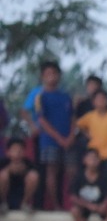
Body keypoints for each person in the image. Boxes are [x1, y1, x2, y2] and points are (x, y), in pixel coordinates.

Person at [25, 60, 73, 210]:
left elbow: (73, 118)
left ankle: (72, 204)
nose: (51, 77)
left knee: (71, 171)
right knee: (51, 172)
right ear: (42, 77)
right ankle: (56, 205)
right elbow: (41, 120)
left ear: (59, 76)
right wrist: (59, 138)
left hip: (68, 141)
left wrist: (70, 136)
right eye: (48, 74)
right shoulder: (40, 96)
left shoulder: (66, 97)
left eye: (54, 73)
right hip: (49, 140)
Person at [3, 138, 40, 211]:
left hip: (21, 195)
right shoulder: (3, 163)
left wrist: (24, 171)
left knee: (33, 176)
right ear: (8, 152)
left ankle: (24, 204)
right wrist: (8, 170)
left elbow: (35, 177)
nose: (17, 153)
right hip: (6, 196)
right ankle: (3, 204)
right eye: (14, 150)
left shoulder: (28, 163)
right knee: (3, 175)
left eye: (20, 150)